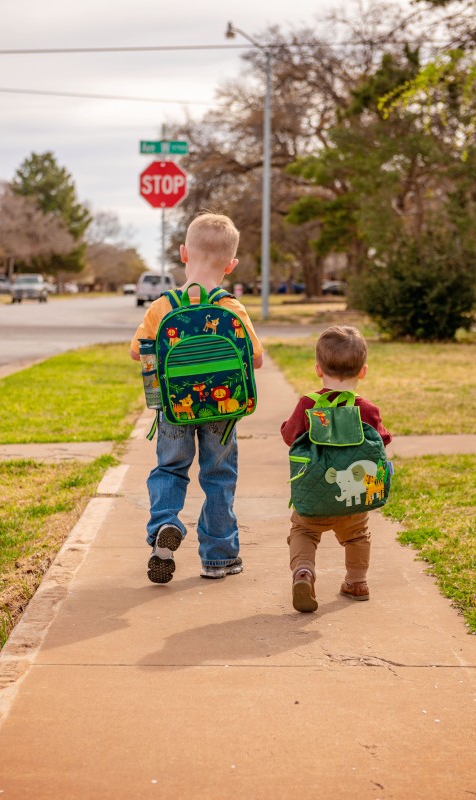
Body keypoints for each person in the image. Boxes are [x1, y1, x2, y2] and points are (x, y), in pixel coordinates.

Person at [130, 212, 264, 582]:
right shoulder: (230, 307)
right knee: (218, 475)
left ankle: (165, 524)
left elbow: (136, 351)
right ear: (232, 264)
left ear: (183, 252)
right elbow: (256, 357)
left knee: (170, 468)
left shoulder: (162, 306)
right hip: (222, 410)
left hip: (173, 407)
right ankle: (219, 557)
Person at [280, 325, 392, 612]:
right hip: (353, 498)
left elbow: (290, 436)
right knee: (357, 535)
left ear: (318, 369)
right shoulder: (366, 409)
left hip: (313, 496)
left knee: (303, 532)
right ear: (363, 371)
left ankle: (303, 572)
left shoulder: (308, 404)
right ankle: (357, 582)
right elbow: (383, 440)